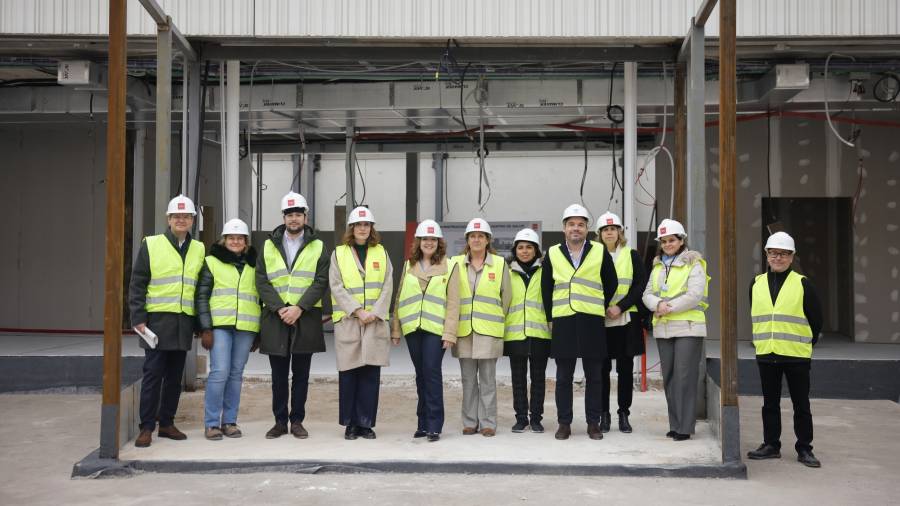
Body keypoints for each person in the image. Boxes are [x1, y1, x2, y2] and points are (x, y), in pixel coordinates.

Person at [129, 194, 205, 448]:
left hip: (183, 321)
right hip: (156, 322)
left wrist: (200, 325)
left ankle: (167, 423)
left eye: (186, 216)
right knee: (153, 376)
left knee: (174, 378)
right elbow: (137, 283)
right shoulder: (151, 244)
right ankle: (146, 427)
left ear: (192, 220)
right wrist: (138, 318)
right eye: (176, 216)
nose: (181, 220)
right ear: (169, 219)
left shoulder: (199, 248)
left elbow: (199, 288)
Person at [746, 231, 823, 468]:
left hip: (796, 355)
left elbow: (816, 320)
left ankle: (805, 448)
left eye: (783, 253)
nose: (778, 257)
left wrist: (804, 344)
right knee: (770, 403)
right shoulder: (756, 283)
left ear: (791, 257)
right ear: (767, 255)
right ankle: (771, 445)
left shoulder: (803, 284)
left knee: (801, 404)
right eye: (773, 253)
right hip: (767, 353)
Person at [256, 192, 329, 440]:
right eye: (289, 215)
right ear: (283, 218)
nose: (294, 219)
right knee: (278, 376)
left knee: (301, 374)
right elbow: (261, 280)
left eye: (298, 214)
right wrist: (279, 308)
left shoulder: (318, 246)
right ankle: (279, 422)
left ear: (305, 217)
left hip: (304, 316)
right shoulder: (268, 245)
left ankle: (297, 421)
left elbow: (321, 281)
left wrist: (299, 308)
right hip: (276, 316)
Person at [542, 204, 618, 440]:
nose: (576, 228)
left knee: (594, 376)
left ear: (587, 229)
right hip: (563, 319)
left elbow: (611, 282)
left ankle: (593, 423)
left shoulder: (599, 250)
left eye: (581, 225)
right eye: (571, 224)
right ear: (564, 228)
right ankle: (564, 423)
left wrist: (598, 304)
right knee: (563, 377)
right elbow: (546, 287)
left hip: (591, 320)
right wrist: (550, 317)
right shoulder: (553, 252)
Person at [392, 219, 461, 442]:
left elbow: (454, 303)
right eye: (425, 239)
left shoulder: (450, 266)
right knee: (420, 374)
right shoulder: (408, 265)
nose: (429, 243)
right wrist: (396, 329)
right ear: (418, 242)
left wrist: (450, 333)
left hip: (435, 329)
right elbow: (400, 297)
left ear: (439, 242)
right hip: (413, 328)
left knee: (431, 372)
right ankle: (422, 423)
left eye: (433, 239)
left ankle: (434, 425)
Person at [641, 218, 710, 441]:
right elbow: (647, 294)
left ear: (681, 241)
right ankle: (675, 424)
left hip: (688, 328)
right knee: (669, 378)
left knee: (684, 377)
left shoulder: (694, 264)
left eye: (672, 240)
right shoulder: (658, 266)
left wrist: (666, 307)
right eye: (664, 241)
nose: (667, 244)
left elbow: (694, 295)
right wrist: (657, 304)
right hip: (664, 328)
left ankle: (685, 427)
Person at [329, 206, 394, 440]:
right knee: (349, 373)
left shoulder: (381, 252)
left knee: (370, 375)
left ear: (371, 228)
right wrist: (357, 311)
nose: (363, 228)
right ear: (352, 228)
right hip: (349, 320)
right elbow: (336, 286)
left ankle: (366, 424)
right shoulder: (339, 253)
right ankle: (350, 424)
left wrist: (374, 313)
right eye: (358, 225)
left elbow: (388, 285)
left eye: (366, 225)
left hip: (374, 322)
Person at [195, 218, 260, 440]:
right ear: (224, 240)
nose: (235, 241)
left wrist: (259, 332)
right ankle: (212, 423)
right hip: (220, 326)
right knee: (219, 372)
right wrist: (205, 328)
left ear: (246, 241)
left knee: (235, 374)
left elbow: (260, 297)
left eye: (240, 238)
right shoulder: (212, 262)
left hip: (246, 327)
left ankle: (230, 421)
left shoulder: (254, 264)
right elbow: (202, 296)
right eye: (231, 238)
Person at [451, 218, 511, 437]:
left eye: (481, 236)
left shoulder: (500, 264)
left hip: (488, 331)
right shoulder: (455, 263)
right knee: (468, 380)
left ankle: (488, 423)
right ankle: (469, 422)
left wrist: (496, 319)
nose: (476, 239)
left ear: (488, 240)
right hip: (464, 330)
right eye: (472, 236)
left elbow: (507, 298)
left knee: (487, 380)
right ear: (467, 240)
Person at [596, 212, 646, 433]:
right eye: (605, 230)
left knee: (625, 370)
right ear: (599, 234)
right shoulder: (593, 255)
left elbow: (640, 285)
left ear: (619, 232)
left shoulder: (631, 255)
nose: (609, 233)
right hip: (601, 319)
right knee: (601, 370)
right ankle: (604, 415)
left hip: (625, 319)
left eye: (613, 229)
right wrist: (603, 308)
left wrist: (620, 306)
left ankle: (623, 414)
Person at [503, 228, 551, 434]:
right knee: (518, 379)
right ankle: (521, 418)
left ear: (536, 250)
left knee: (538, 379)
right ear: (515, 250)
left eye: (529, 247)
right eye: (520, 247)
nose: (524, 251)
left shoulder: (546, 271)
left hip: (540, 333)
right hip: (515, 334)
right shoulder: (507, 272)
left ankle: (537, 418)